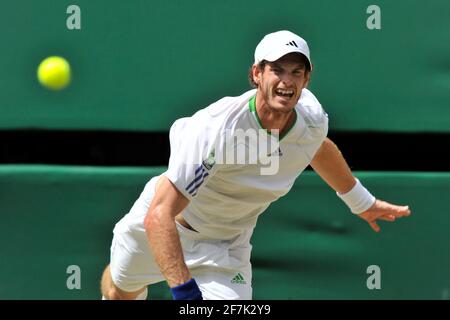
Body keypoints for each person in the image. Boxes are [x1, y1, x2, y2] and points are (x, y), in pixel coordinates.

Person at [100, 30, 411, 300]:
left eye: (296, 72)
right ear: (256, 74)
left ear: (307, 78)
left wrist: (361, 202)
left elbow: (317, 148)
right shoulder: (216, 130)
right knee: (119, 291)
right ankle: (119, 276)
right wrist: (185, 293)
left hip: (227, 248)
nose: (286, 81)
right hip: (167, 228)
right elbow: (159, 215)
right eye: (277, 70)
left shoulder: (311, 121)